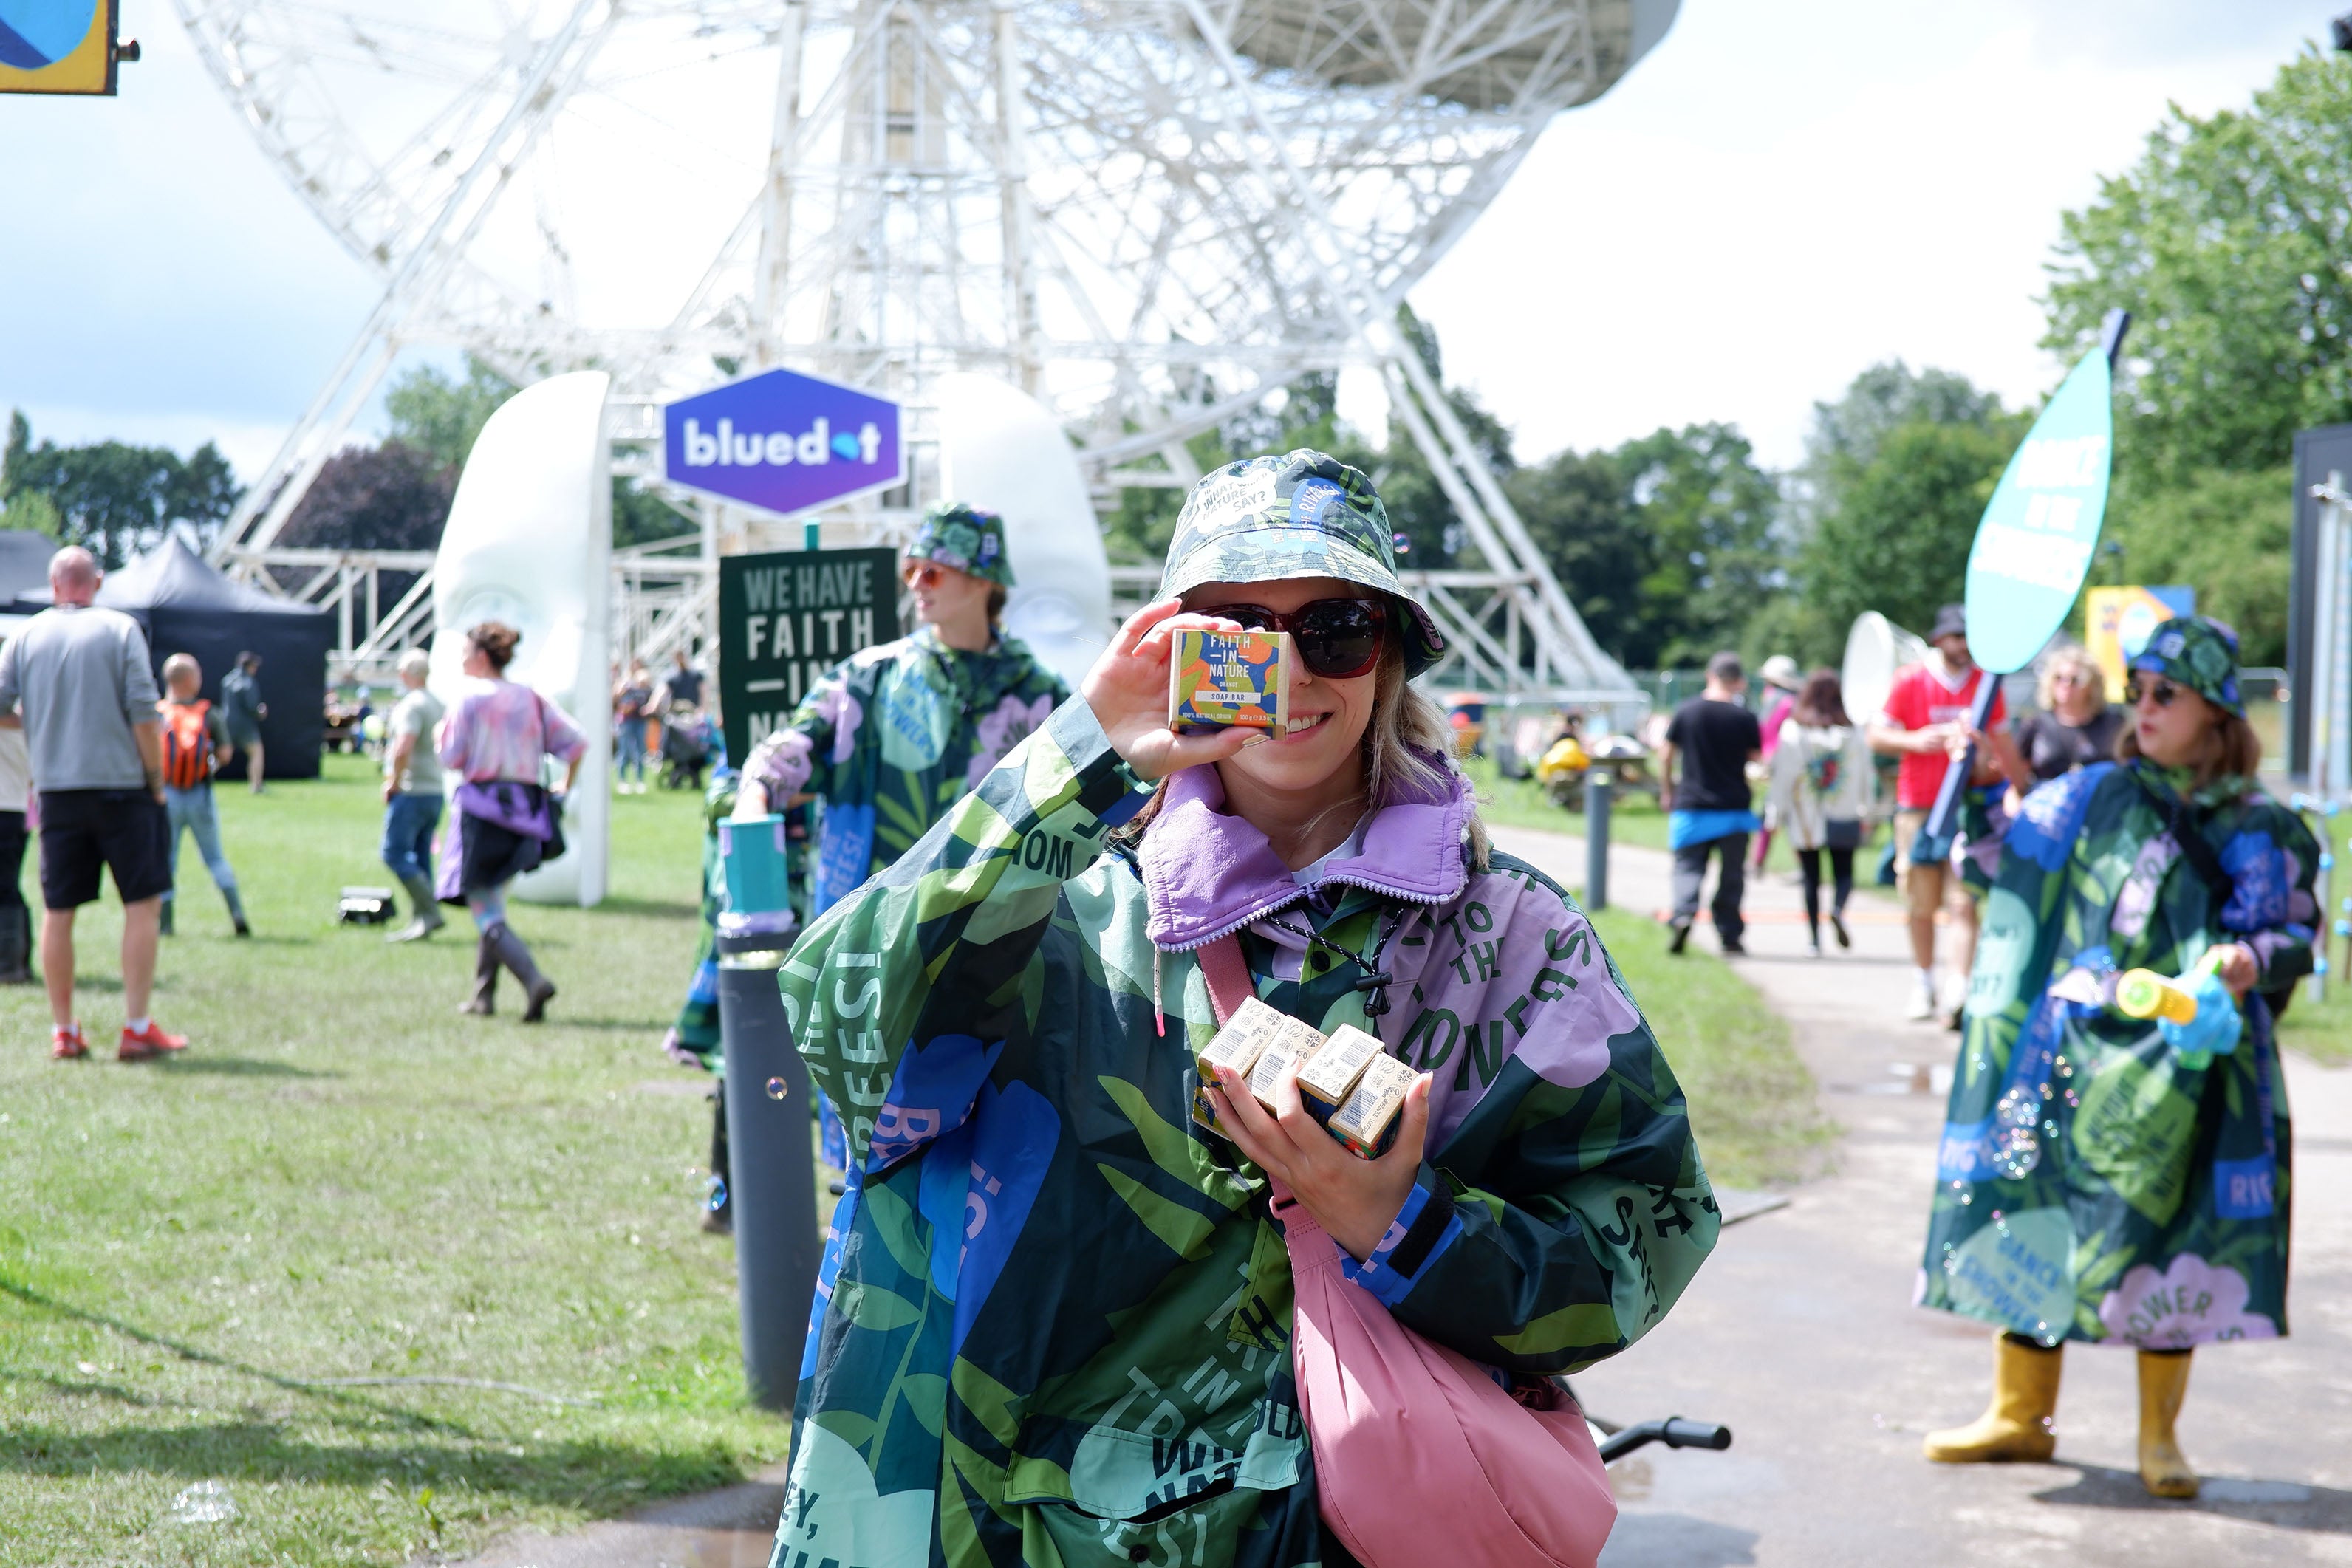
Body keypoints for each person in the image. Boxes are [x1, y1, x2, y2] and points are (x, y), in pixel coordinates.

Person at [770, 451, 1717, 1564]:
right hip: (1055, 1532)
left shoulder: (1509, 935)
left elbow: (1646, 1224)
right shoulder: (1066, 902)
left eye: (1338, 627)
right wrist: (1081, 755)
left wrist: (1405, 1222)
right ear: (1170, 647)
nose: (1288, 669)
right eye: (1235, 632)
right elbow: (842, 1025)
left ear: (1394, 652)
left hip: (1372, 1522)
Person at [1918, 617, 2308, 1500]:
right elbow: (2001, 865)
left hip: (2194, 1063)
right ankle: (2021, 1417)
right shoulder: (2091, 792)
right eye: (2136, 688)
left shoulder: (2262, 821)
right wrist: (1980, 785)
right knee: (2033, 1209)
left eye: (2164, 690)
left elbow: (2294, 932)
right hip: (2073, 1052)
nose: (2145, 705)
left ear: (2215, 708)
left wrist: (2250, 959)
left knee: (2173, 1234)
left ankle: (2157, 1434)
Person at [733, 501, 1071, 917]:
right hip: (871, 922)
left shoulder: (1041, 692)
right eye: (910, 570)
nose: (916, 584)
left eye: (932, 571)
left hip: (988, 928)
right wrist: (755, 794)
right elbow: (795, 744)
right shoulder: (869, 676)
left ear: (984, 580)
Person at [0, 547, 185, 1061]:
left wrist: (38, 723)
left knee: (59, 911)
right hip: (123, 789)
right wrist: (155, 781)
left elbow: (0, 704)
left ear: (53, 583)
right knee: (142, 905)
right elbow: (145, 714)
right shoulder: (120, 628)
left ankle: (64, 1030)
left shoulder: (26, 634)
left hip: (56, 790)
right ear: (97, 582)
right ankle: (137, 1025)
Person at [1869, 604, 2031, 1023]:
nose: (1965, 646)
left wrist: (2019, 786)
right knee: (1920, 902)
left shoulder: (1985, 684)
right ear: (1940, 638)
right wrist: (1916, 740)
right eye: (1958, 637)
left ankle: (1958, 988)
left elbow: (2002, 742)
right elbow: (1876, 735)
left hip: (1970, 808)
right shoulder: (1911, 680)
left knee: (1964, 903)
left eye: (1969, 638)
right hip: (1919, 807)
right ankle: (1923, 983)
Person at [434, 622, 584, 1022]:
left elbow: (450, 756)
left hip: (482, 813)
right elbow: (576, 743)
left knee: (485, 908)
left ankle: (533, 979)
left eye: (466, 651)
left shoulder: (469, 699)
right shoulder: (530, 698)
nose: (463, 659)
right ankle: (483, 997)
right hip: (524, 814)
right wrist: (563, 791)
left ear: (482, 656)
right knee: (493, 899)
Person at [1658, 651, 1763, 956]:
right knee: (1732, 876)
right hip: (1734, 810)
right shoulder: (1744, 717)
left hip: (1692, 806)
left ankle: (1684, 914)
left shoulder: (1686, 710)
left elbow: (1665, 754)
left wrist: (1668, 790)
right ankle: (1730, 935)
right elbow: (1756, 760)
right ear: (1738, 681)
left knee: (1687, 868)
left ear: (1709, 675)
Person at [1765, 668, 1872, 958]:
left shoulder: (1794, 731)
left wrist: (1776, 811)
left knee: (1811, 878)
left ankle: (1814, 940)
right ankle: (1838, 909)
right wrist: (1868, 808)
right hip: (1844, 811)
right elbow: (1866, 771)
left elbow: (1784, 775)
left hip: (1807, 816)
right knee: (1844, 873)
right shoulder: (1853, 731)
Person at [155, 653, 251, 939]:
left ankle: (166, 924)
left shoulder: (157, 713)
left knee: (166, 861)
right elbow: (224, 753)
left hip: (166, 796)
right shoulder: (208, 713)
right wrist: (207, 767)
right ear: (189, 680)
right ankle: (237, 914)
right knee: (215, 858)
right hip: (200, 795)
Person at [380, 648, 447, 944]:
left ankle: (429, 912)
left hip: (412, 789)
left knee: (393, 853)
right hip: (435, 789)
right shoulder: (437, 704)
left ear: (406, 674)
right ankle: (422, 919)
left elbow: (404, 745)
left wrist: (393, 781)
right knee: (421, 857)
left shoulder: (411, 706)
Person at [2011, 640, 2122, 786]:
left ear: (2092, 686)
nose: (2066, 685)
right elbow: (2017, 771)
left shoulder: (2113, 724)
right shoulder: (2036, 724)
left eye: (2075, 680)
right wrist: (2016, 794)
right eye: (2059, 678)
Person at [1751, 652, 1802, 870]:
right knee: (1786, 814)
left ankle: (1759, 862)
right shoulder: (1793, 701)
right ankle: (1760, 861)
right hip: (1789, 764)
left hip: (1780, 763)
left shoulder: (1780, 702)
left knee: (1776, 813)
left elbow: (1770, 734)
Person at [0, 678, 30, 985]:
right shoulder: (31, 725)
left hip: (4, 808)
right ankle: (21, 962)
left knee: (5, 890)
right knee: (11, 887)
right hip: (19, 810)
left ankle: (9, 967)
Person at [218, 651, 267, 793]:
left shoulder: (227, 680)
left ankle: (198, 779)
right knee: (257, 752)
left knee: (220, 755)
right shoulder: (248, 682)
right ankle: (256, 786)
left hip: (226, 723)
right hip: (244, 725)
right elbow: (252, 707)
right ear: (249, 666)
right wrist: (261, 712)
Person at [613, 660, 654, 795]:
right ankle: (622, 781)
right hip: (626, 722)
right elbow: (620, 703)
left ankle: (639, 781)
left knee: (640, 752)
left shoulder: (647, 691)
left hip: (640, 722)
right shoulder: (627, 688)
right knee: (624, 752)